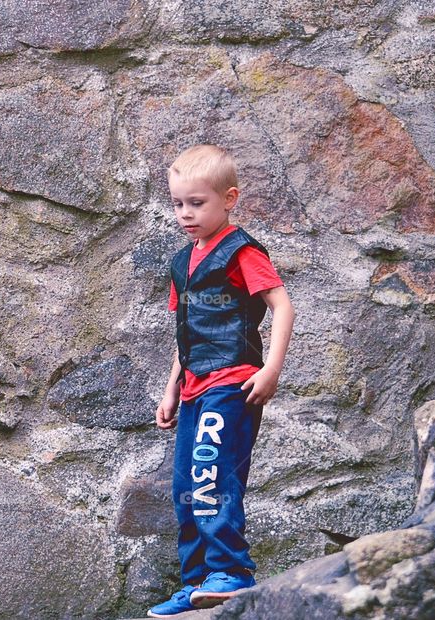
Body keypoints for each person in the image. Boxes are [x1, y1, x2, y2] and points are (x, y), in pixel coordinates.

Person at [147, 144, 295, 617]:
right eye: (177, 204)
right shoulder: (181, 263)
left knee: (211, 473)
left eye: (197, 203)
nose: (185, 214)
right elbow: (184, 331)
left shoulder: (242, 251)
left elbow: (282, 306)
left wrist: (270, 369)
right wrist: (173, 386)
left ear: (229, 199)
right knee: (186, 485)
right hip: (194, 387)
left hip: (233, 382)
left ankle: (231, 571)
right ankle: (197, 583)